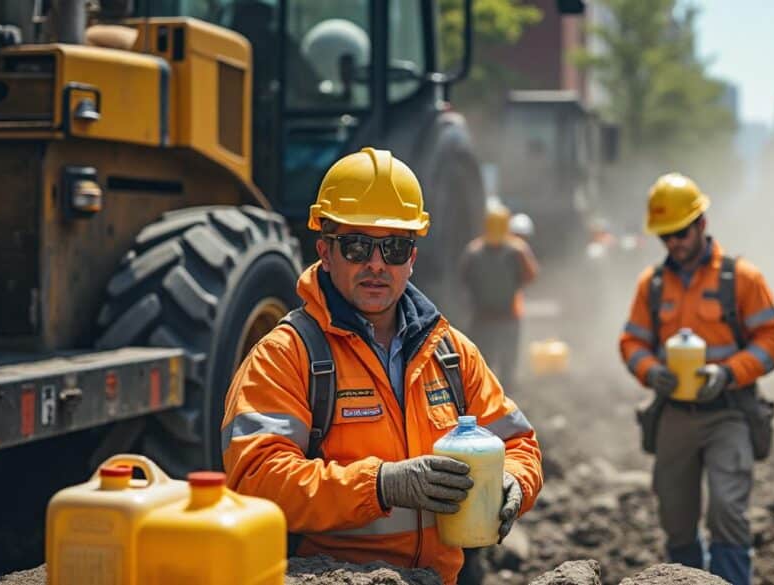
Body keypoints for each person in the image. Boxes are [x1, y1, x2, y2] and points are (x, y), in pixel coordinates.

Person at [221, 148, 543, 585]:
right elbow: (255, 480)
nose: (376, 263)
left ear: (412, 258)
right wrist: (380, 484)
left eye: (394, 247)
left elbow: (518, 443)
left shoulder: (450, 353)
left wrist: (515, 482)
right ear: (325, 251)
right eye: (357, 246)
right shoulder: (286, 356)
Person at [619, 172, 774, 585]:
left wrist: (728, 373)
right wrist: (651, 371)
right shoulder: (652, 285)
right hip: (675, 415)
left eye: (680, 232)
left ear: (701, 224)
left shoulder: (741, 278)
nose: (674, 243)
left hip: (728, 413)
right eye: (666, 236)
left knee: (728, 510)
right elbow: (631, 342)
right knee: (675, 517)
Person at [459, 205, 539, 388]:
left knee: (484, 362)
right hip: (507, 315)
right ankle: (504, 393)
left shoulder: (473, 251)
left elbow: (463, 278)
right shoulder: (518, 250)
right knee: (505, 363)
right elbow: (531, 275)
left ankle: (486, 394)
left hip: (483, 316)